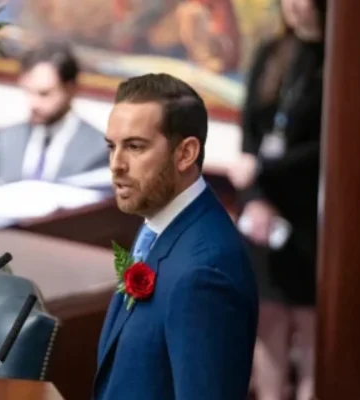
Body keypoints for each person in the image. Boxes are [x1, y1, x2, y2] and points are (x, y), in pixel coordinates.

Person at [94, 73, 257, 399]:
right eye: (112, 146)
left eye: (135, 147)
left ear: (185, 154)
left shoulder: (205, 270)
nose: (116, 165)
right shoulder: (160, 221)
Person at [230, 0, 325, 399]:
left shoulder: (338, 62)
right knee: (267, 316)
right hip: (265, 207)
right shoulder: (272, 53)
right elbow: (250, 135)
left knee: (308, 322)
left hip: (312, 210)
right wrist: (254, 197)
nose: (290, 5)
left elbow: (327, 147)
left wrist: (265, 171)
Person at [0, 42, 109, 185]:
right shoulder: (8, 138)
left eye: (44, 94)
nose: (33, 103)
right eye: (28, 91)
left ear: (71, 89)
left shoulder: (99, 148)